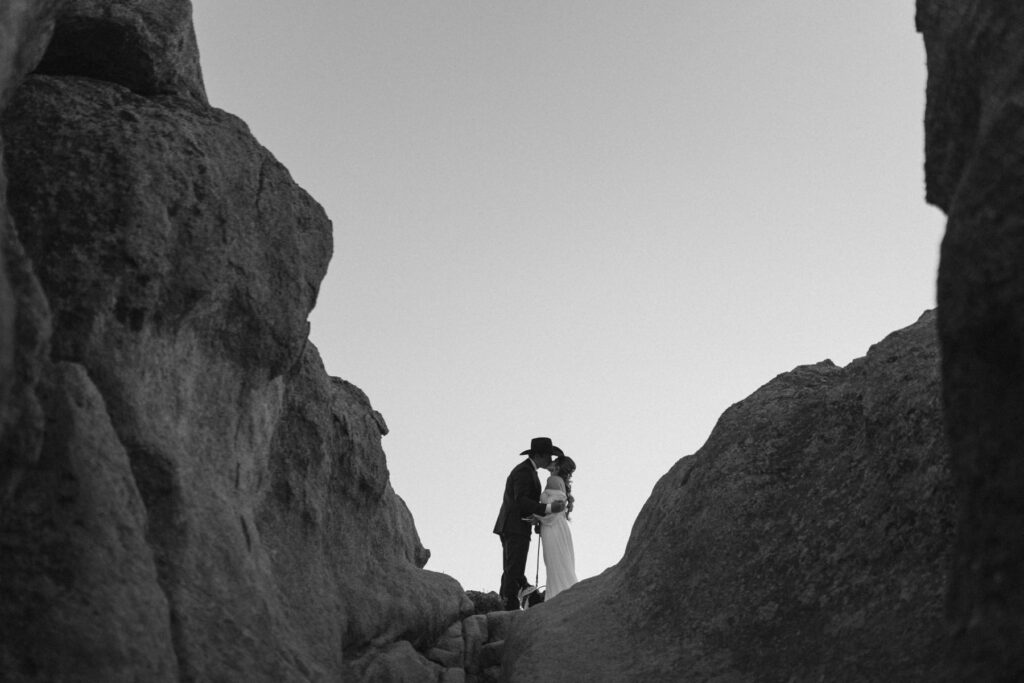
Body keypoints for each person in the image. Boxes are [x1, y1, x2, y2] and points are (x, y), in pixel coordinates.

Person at [493, 437, 567, 611]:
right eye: (549, 455)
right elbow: (521, 501)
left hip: (515, 525)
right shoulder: (524, 472)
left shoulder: (529, 471)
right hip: (514, 527)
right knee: (514, 568)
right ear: (540, 455)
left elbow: (523, 503)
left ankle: (506, 603)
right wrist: (548, 508)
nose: (550, 459)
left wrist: (536, 518)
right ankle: (509, 607)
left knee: (512, 567)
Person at [535, 455, 578, 600]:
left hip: (553, 526)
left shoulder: (552, 480)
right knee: (560, 564)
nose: (550, 461)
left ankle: (558, 598)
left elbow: (556, 507)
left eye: (554, 460)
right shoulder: (559, 482)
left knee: (556, 566)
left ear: (557, 467)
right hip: (559, 526)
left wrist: (537, 516)